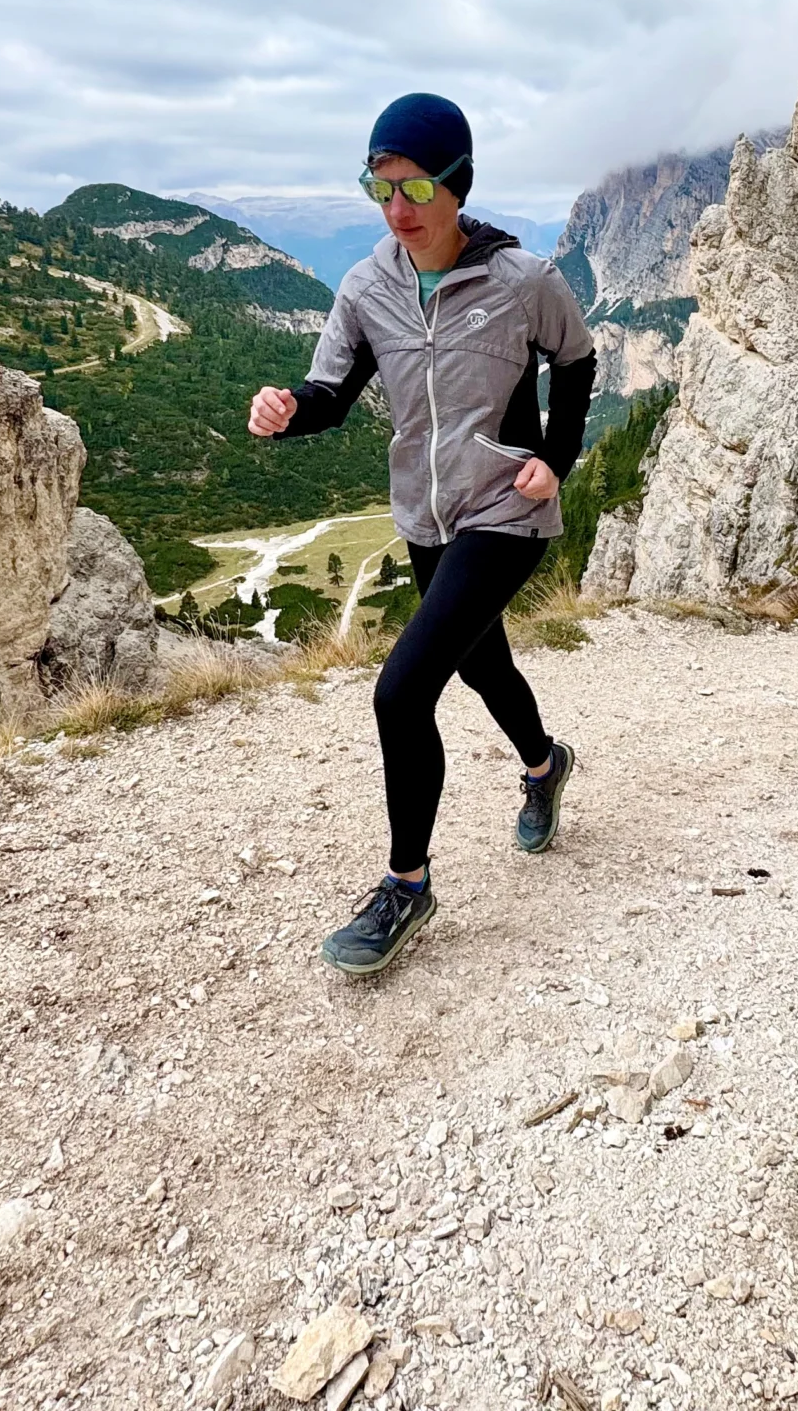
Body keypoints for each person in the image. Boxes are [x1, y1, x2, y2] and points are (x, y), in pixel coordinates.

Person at [248, 93, 597, 977]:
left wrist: (556, 456)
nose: (398, 209)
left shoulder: (522, 281)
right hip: (427, 516)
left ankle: (406, 885)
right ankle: (544, 763)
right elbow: (331, 393)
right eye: (381, 188)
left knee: (402, 691)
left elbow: (578, 358)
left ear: (458, 186)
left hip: (507, 512)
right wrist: (289, 411)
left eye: (416, 189)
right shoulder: (368, 287)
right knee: (483, 664)